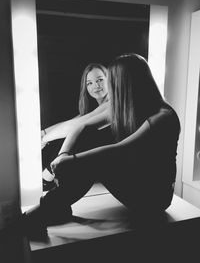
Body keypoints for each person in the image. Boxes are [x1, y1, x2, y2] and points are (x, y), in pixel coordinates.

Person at [23, 53, 180, 238]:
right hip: (137, 179)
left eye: (111, 82)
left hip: (153, 198)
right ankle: (55, 206)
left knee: (97, 157)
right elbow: (82, 126)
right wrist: (63, 155)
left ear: (126, 84)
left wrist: (72, 161)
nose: (107, 88)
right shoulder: (130, 107)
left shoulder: (162, 117)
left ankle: (47, 209)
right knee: (90, 138)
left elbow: (120, 151)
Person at [41, 63, 113, 191]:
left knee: (78, 134)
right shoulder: (94, 108)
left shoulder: (113, 103)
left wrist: (43, 139)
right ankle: (48, 178)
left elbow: (77, 125)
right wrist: (43, 133)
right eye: (89, 83)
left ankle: (47, 177)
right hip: (98, 161)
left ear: (110, 80)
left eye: (100, 80)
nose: (96, 86)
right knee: (64, 133)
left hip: (112, 163)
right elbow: (70, 122)